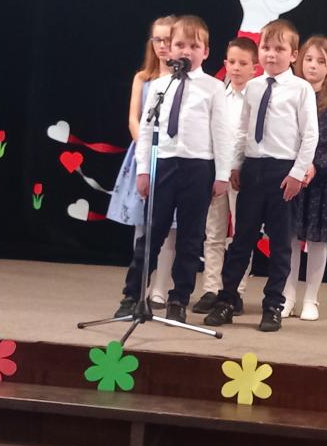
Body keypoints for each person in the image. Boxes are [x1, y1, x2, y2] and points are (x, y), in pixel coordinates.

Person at [114, 16, 231, 324]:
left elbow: (222, 133)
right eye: (180, 44)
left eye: (194, 46)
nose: (186, 51)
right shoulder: (159, 86)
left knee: (190, 238)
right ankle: (132, 296)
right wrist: (143, 170)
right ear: (169, 48)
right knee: (151, 235)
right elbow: (147, 129)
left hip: (198, 167)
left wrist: (221, 174)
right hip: (163, 164)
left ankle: (179, 298)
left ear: (205, 52)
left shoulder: (213, 88)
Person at [204, 19, 318, 332]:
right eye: (266, 47)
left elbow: (310, 135)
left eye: (279, 49)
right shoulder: (253, 87)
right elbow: (243, 129)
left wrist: (297, 173)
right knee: (241, 240)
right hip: (253, 168)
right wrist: (235, 164)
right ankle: (227, 300)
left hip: (283, 171)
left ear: (293, 55)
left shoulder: (301, 90)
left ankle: (273, 306)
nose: (271, 54)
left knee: (280, 244)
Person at [106, 16, 177, 308]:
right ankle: (140, 287)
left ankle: (161, 288)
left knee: (171, 227)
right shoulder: (143, 78)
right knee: (143, 222)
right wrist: (144, 151)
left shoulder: (183, 81)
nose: (162, 46)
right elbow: (133, 119)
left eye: (168, 40)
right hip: (144, 156)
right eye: (157, 40)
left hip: (173, 158)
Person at [283, 36, 327, 321]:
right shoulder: (290, 96)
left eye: (320, 61)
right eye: (308, 59)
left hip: (321, 181)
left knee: (316, 240)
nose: (312, 65)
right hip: (291, 177)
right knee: (288, 239)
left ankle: (311, 299)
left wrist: (316, 166)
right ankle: (287, 297)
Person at [192, 37, 258, 316]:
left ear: (254, 67)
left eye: (243, 63)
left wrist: (238, 165)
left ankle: (235, 291)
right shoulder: (218, 93)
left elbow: (251, 136)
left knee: (241, 235)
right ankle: (210, 288)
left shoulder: (256, 95)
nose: (236, 68)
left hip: (242, 174)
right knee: (214, 232)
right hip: (217, 172)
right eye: (232, 62)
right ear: (224, 63)